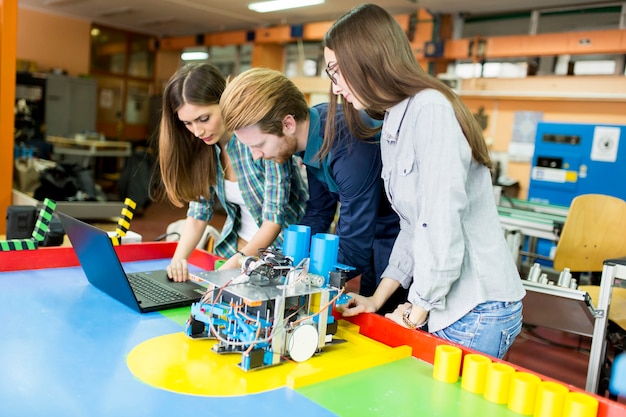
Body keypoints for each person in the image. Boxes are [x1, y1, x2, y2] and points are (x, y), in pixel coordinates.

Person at [321, 3, 526, 359]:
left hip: (475, 307)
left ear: (367, 60)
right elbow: (413, 226)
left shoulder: (429, 109)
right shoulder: (393, 123)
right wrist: (377, 298)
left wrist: (418, 306)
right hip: (449, 303)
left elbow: (440, 220)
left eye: (337, 72)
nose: (336, 88)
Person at [219, 67, 403, 307]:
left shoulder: (347, 145)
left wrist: (294, 278)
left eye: (259, 144)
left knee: (385, 319)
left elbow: (353, 249)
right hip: (372, 234)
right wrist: (278, 262)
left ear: (288, 124)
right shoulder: (313, 133)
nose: (255, 156)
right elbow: (319, 212)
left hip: (400, 243)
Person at [158, 63, 308, 281]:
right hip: (237, 248)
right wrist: (178, 260)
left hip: (282, 254)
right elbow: (199, 213)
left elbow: (273, 221)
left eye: (204, 119)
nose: (198, 131)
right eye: (188, 123)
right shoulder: (206, 149)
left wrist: (234, 264)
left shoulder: (261, 139)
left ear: (224, 101)